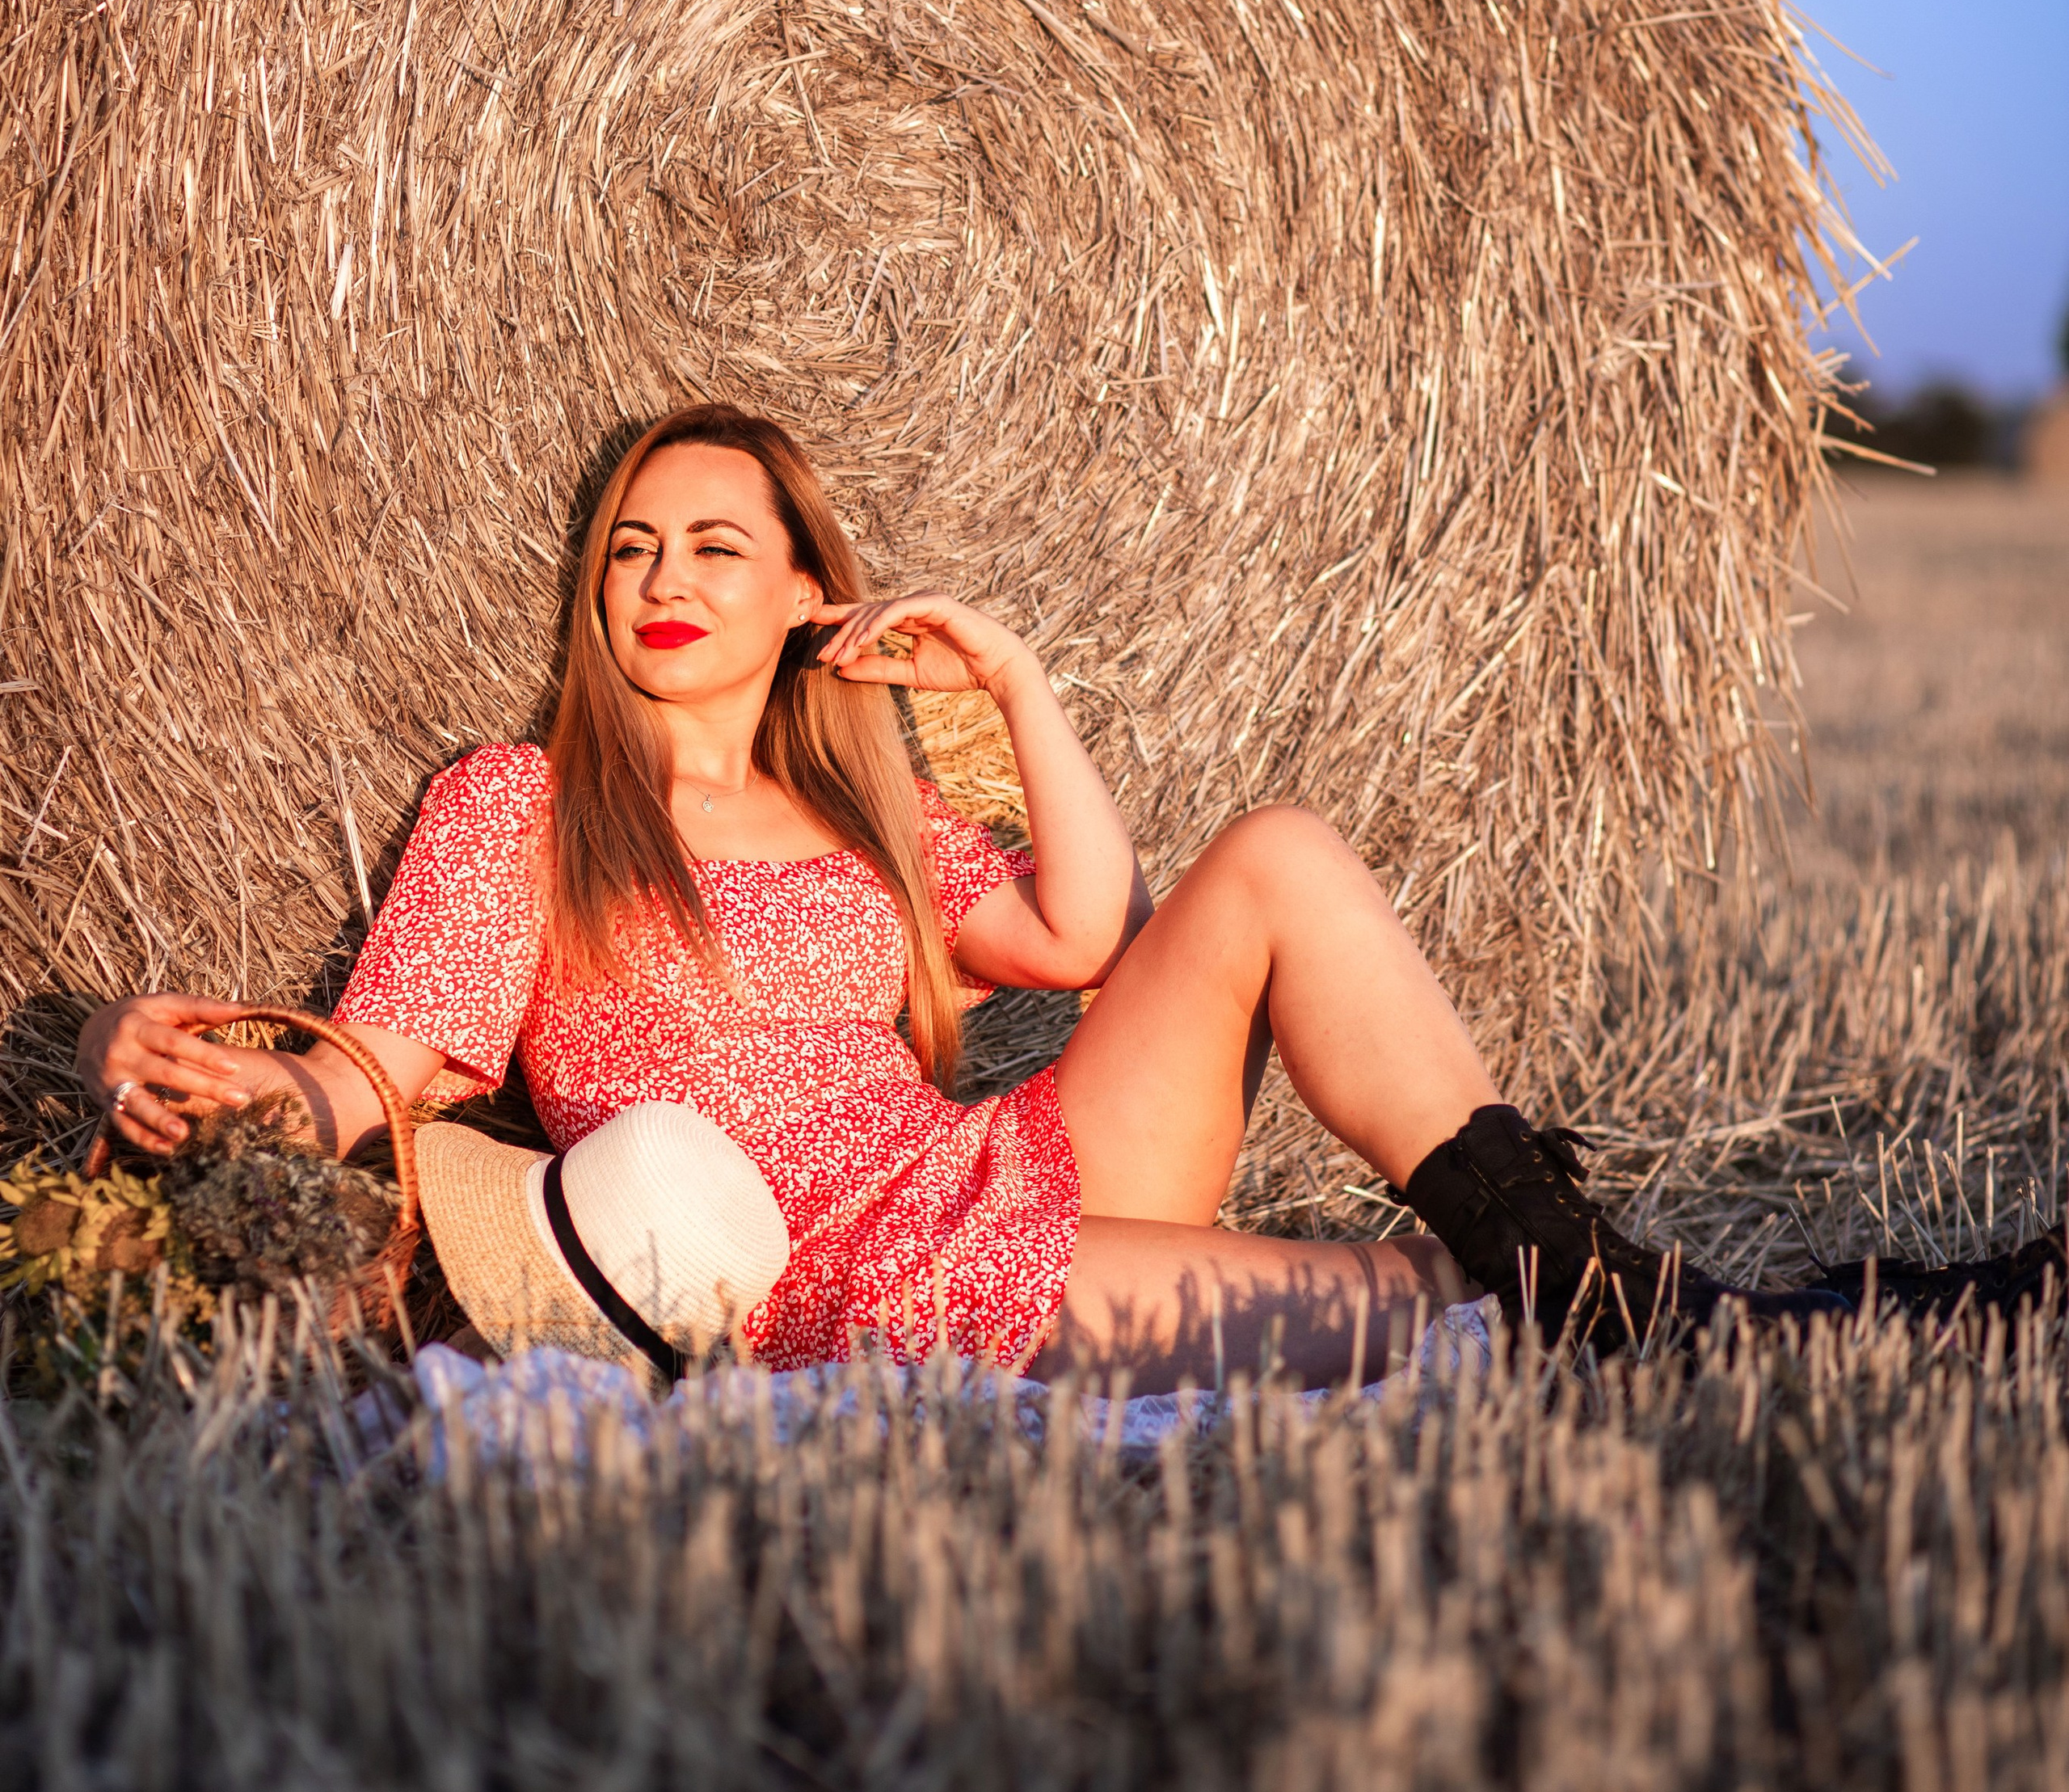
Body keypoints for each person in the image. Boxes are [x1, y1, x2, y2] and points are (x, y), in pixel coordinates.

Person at [76, 404, 1836, 1383]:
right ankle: (1660, 1309)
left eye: (712, 548)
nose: (661, 581)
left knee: (1279, 856)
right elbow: (402, 1057)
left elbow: (1080, 939)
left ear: (799, 597)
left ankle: (1572, 1252)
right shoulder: (522, 805)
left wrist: (1011, 686)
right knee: (1408, 1318)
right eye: (629, 550)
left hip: (1000, 1171)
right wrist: (259, 1092)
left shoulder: (858, 807)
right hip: (829, 1270)